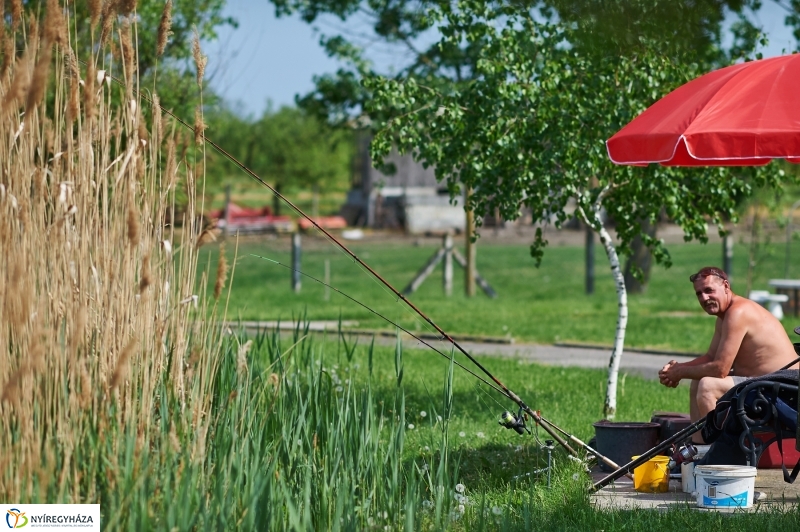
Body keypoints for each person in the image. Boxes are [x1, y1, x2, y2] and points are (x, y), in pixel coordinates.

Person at [658, 266, 798, 441]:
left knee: (708, 386)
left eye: (709, 290)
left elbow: (720, 369)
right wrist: (677, 368)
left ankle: (720, 455)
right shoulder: (725, 316)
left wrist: (679, 373)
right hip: (764, 384)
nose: (704, 298)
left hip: (782, 391)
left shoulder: (738, 312)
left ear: (725, 286)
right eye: (699, 294)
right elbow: (710, 357)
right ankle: (699, 448)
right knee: (697, 381)